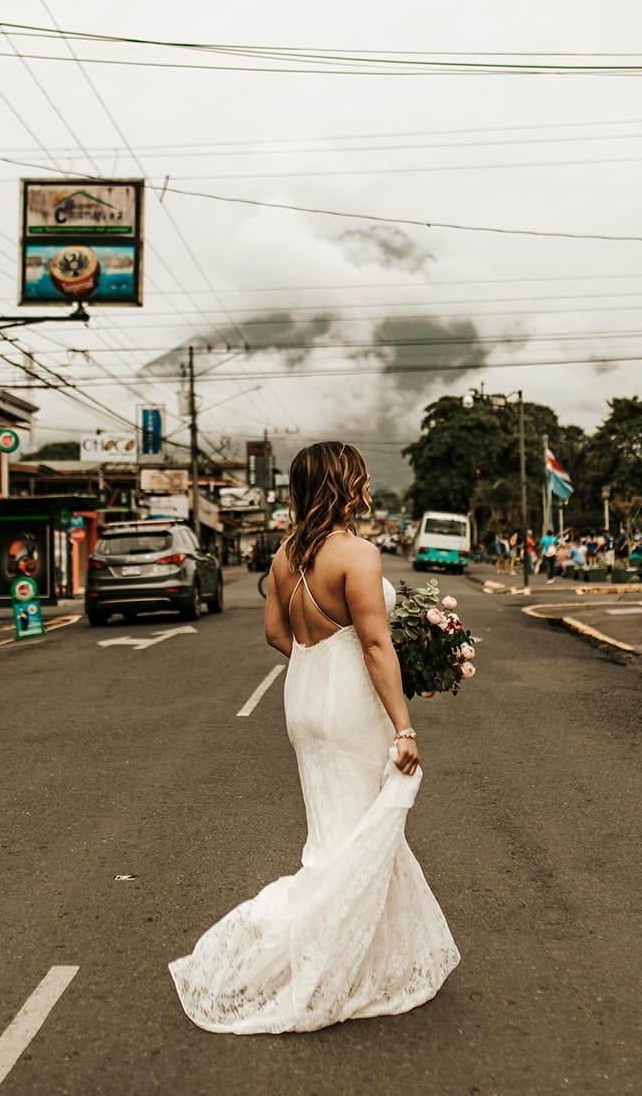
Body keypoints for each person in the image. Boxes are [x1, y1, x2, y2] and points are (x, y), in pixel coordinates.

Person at [170, 441, 459, 1034]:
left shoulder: (286, 556)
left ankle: (361, 954)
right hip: (348, 705)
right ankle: (316, 963)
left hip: (304, 698)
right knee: (356, 832)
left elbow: (277, 634)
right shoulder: (357, 553)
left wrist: (322, 659)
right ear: (343, 484)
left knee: (335, 830)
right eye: (361, 476)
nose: (368, 484)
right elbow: (375, 644)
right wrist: (403, 724)